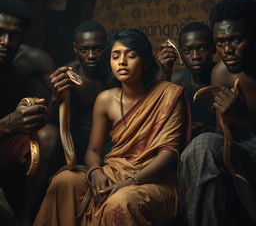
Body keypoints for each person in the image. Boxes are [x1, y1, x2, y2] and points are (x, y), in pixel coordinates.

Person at [34, 29, 191, 226]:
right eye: (115, 56)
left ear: (144, 62)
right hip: (113, 171)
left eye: (131, 55)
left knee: (120, 201)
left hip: (154, 181)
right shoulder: (106, 99)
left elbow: (169, 154)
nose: (122, 62)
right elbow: (93, 151)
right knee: (65, 181)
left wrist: (131, 181)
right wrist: (95, 171)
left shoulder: (169, 95)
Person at [179, 0, 256, 226]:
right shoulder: (221, 75)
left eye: (236, 40)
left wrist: (243, 118)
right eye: (220, 42)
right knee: (201, 146)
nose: (227, 50)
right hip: (240, 151)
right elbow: (223, 139)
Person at [0, 0, 57, 225]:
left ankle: (26, 217)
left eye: (14, 35)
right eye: (0, 32)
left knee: (49, 136)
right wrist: (8, 123)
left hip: (9, 143)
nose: (5, 41)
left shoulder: (33, 60)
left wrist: (58, 94)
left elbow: (58, 107)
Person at [49, 21, 109, 164]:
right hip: (77, 141)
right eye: (84, 50)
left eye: (97, 49)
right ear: (75, 49)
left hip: (110, 140)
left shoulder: (115, 71)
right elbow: (51, 122)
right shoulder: (67, 75)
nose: (91, 55)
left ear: (106, 47)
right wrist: (55, 98)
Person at [157, 22, 216, 137]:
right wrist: (165, 72)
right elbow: (159, 116)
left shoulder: (223, 76)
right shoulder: (176, 80)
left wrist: (209, 130)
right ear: (180, 53)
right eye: (187, 51)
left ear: (213, 48)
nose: (195, 56)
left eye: (203, 48)